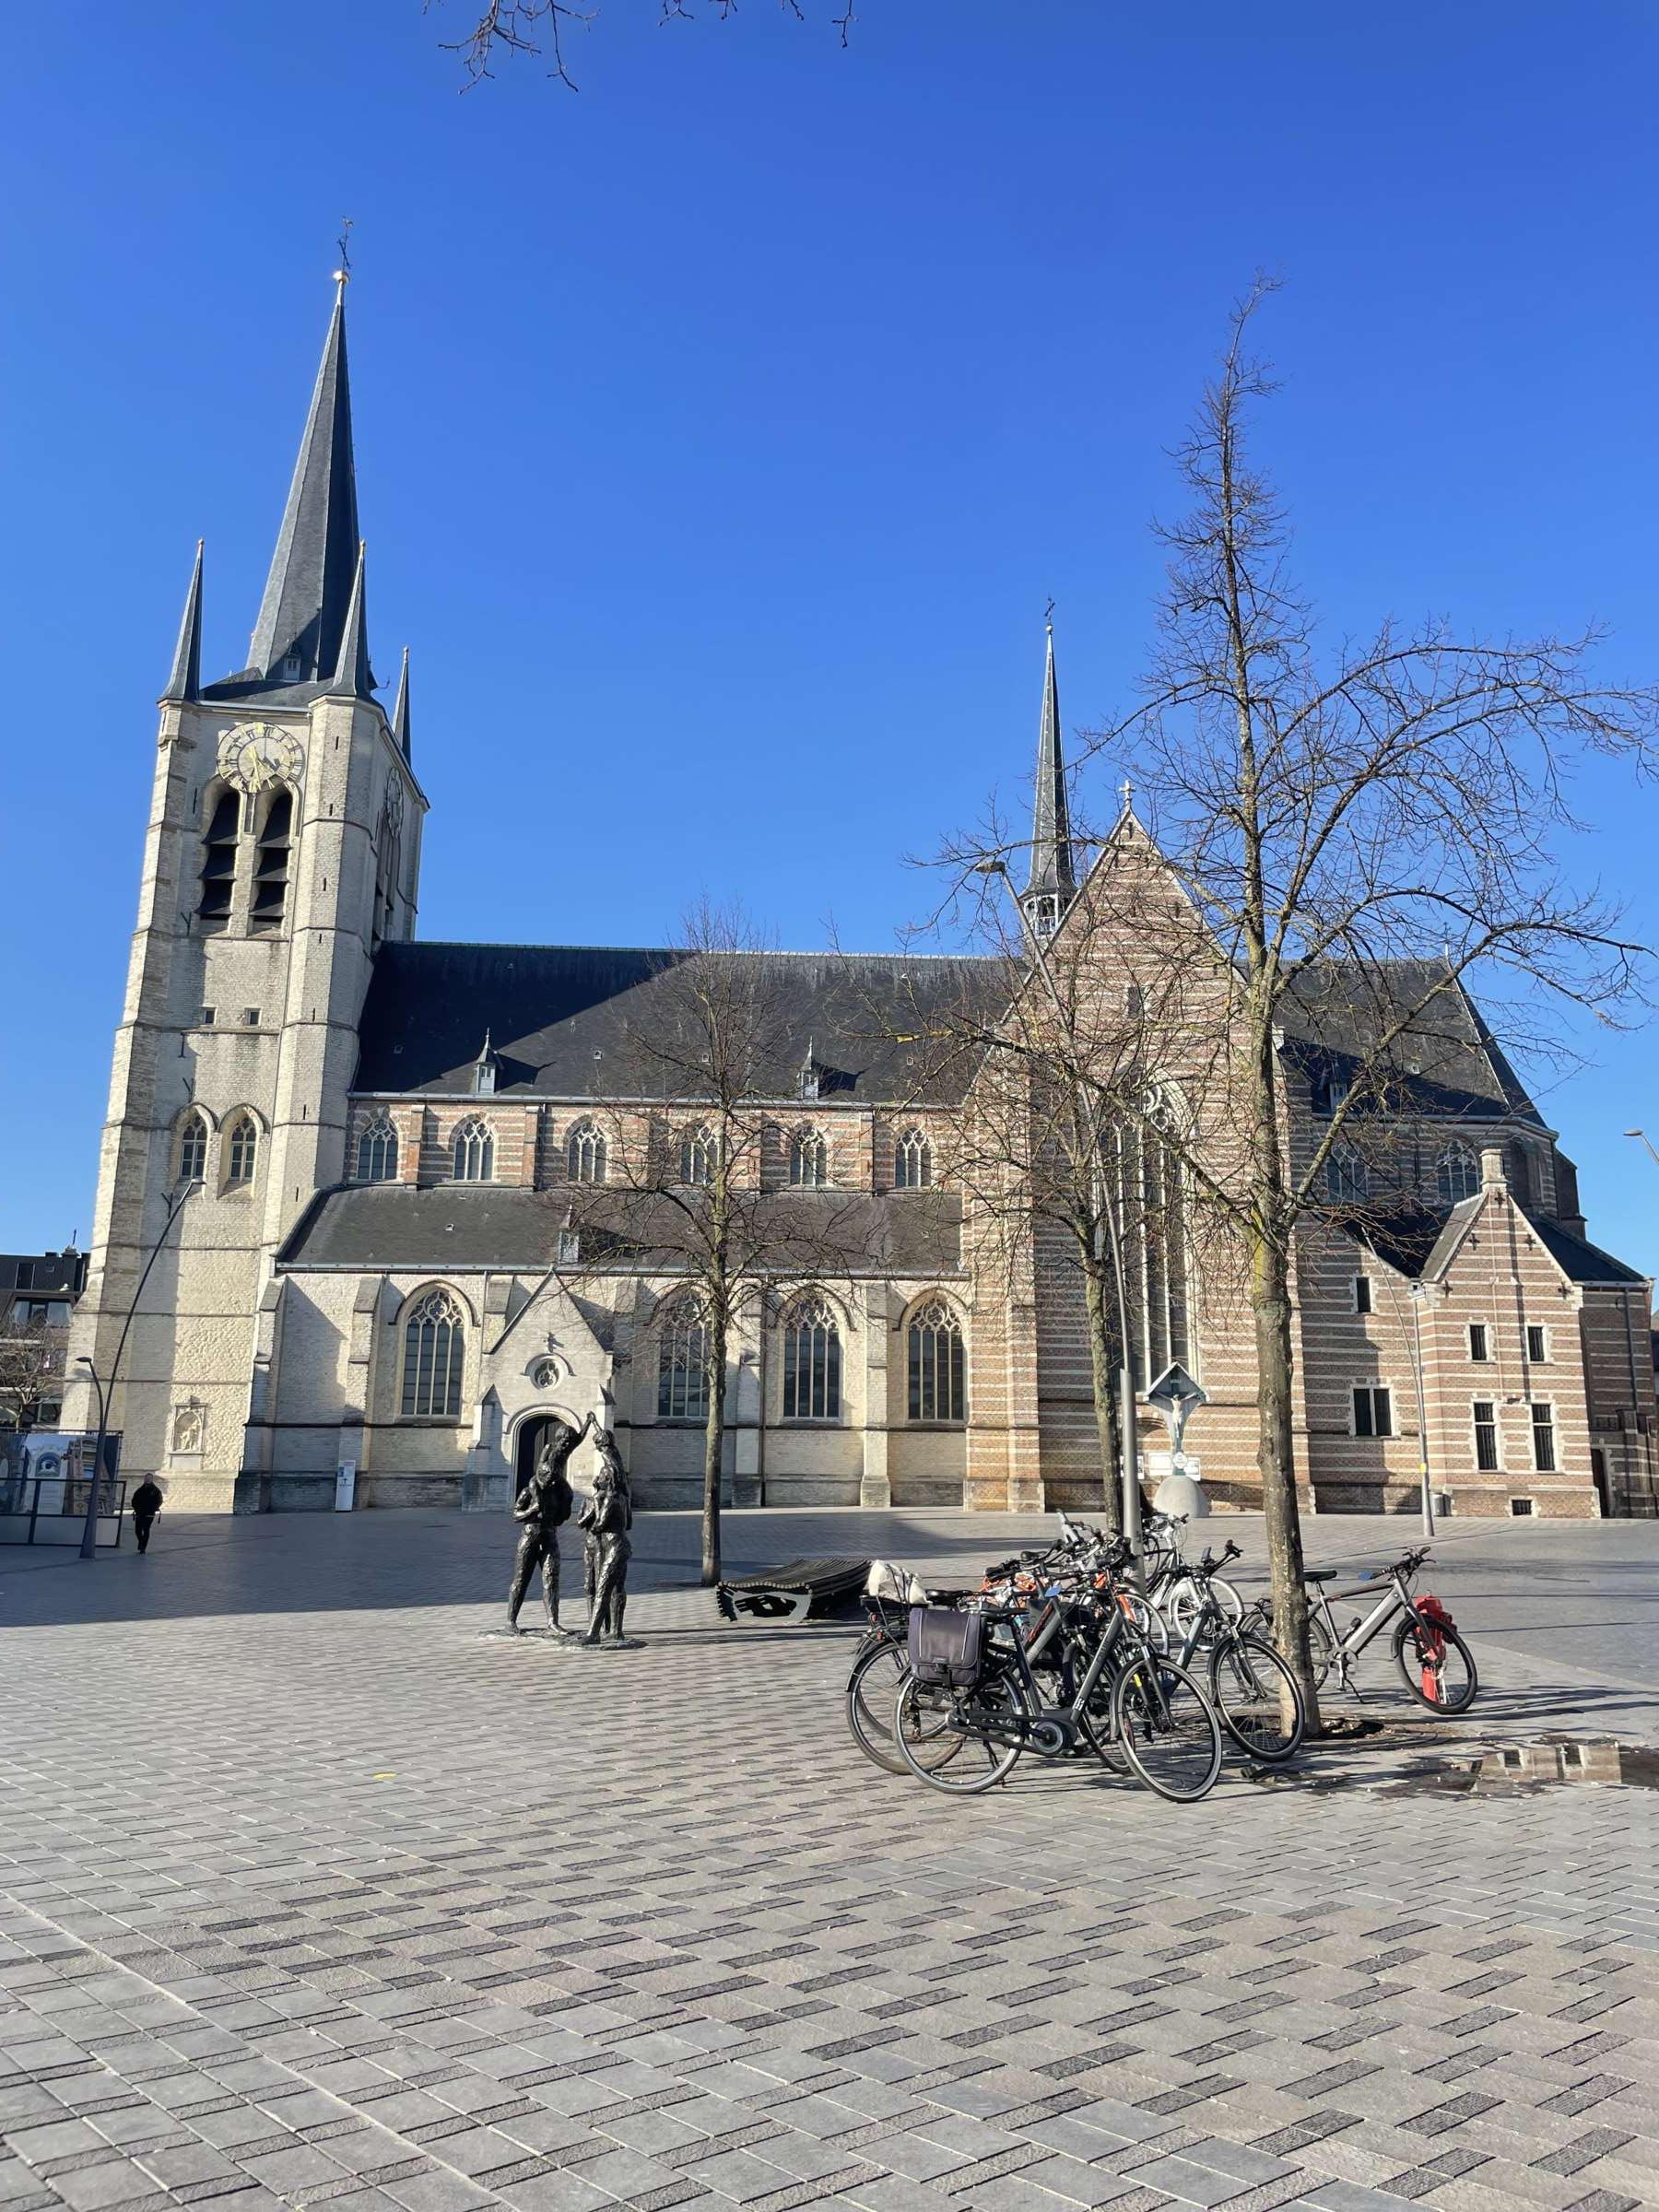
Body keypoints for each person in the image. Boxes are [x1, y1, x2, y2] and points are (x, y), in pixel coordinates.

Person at [504, 1412, 594, 1633]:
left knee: (551, 1578)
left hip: (549, 1535)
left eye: (554, 1478)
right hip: (529, 1536)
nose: (551, 1480)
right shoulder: (530, 1490)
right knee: (521, 1578)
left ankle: (553, 1622)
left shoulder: (559, 1493)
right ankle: (511, 1621)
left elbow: (578, 1440)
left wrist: (589, 1423)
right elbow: (516, 1515)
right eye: (548, 1478)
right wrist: (533, 1510)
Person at [578, 1430, 634, 1645]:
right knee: (618, 1588)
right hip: (622, 1544)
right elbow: (629, 1524)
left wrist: (596, 1501)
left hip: (611, 1546)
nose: (597, 1477)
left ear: (608, 1478)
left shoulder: (609, 1499)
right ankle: (616, 1631)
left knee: (603, 1588)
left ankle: (593, 1633)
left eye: (601, 1475)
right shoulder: (623, 1498)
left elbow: (599, 1525)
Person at [131, 1477, 164, 1554]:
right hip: (139, 1513)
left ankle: (143, 1548)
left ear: (152, 1479)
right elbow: (134, 1500)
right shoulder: (140, 1490)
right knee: (138, 1530)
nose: (147, 1480)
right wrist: (136, 1508)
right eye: (146, 1478)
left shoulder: (156, 1491)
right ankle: (141, 1542)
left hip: (149, 1514)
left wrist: (153, 1508)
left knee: (146, 1530)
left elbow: (159, 1501)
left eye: (149, 1478)